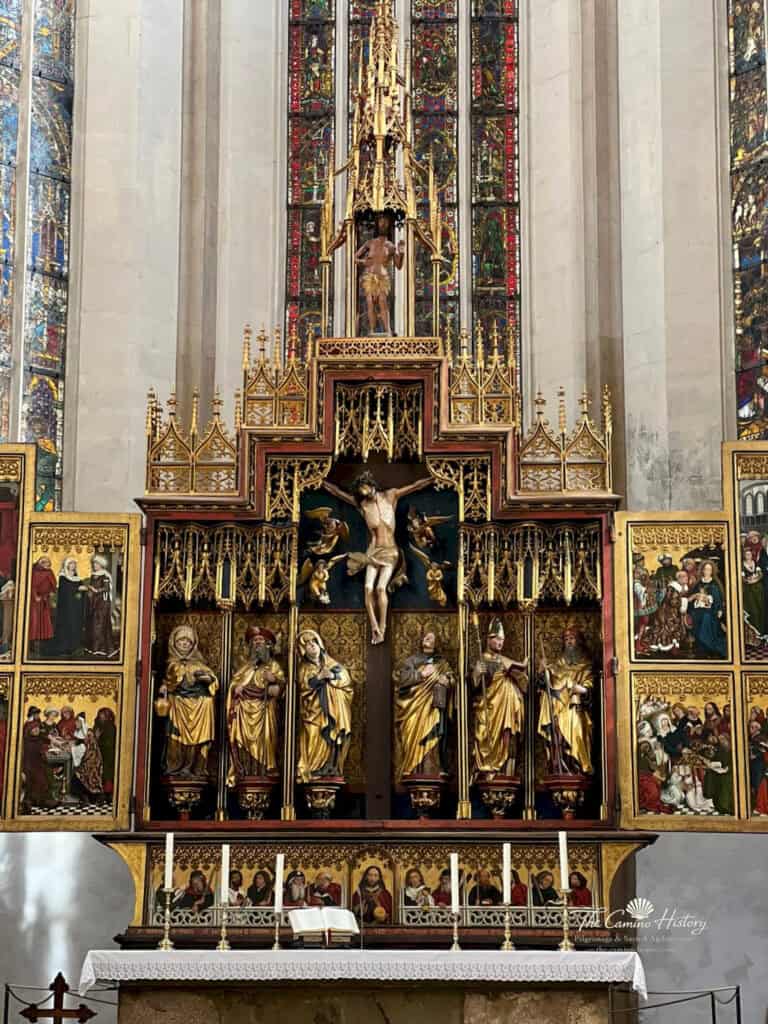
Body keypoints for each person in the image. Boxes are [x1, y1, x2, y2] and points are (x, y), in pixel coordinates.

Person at [323, 470, 433, 644]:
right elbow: (338, 493)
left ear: (372, 485)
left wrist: (433, 478)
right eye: (361, 492)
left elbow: (414, 486)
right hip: (373, 553)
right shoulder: (363, 506)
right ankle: (374, 626)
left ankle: (382, 627)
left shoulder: (390, 496)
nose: (365, 494)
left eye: (366, 489)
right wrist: (321, 481)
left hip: (390, 552)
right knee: (368, 589)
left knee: (381, 589)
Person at [157, 624, 219, 778]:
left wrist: (207, 679)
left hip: (198, 706)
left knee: (207, 704)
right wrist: (164, 687)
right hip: (177, 706)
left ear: (193, 645)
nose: (184, 644)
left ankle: (195, 766)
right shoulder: (170, 664)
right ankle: (175, 766)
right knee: (174, 735)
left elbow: (213, 682)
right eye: (181, 641)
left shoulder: (199, 664)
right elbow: (167, 681)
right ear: (174, 643)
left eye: (188, 642)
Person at [226, 626, 285, 785]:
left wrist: (275, 682)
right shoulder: (245, 668)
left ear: (268, 645)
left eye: (261, 642)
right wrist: (235, 689)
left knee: (266, 740)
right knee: (243, 743)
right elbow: (234, 685)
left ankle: (264, 770)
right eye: (254, 642)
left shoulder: (274, 666)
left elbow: (283, 688)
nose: (257, 645)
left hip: (265, 711)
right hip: (244, 713)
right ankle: (245, 770)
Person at [471, 618, 528, 780]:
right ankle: (486, 765)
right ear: (488, 639)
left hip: (507, 709)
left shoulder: (504, 661)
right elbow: (471, 688)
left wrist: (521, 674)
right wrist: (476, 673)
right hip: (489, 708)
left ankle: (504, 769)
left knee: (507, 734)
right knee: (484, 734)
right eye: (497, 639)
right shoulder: (481, 660)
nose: (500, 643)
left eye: (502, 640)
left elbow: (523, 681)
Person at [394, 629, 455, 779]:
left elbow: (452, 679)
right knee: (412, 736)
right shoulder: (411, 661)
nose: (427, 639)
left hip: (433, 706)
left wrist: (447, 681)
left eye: (431, 637)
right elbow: (401, 680)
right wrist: (421, 674)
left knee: (433, 732)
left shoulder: (442, 664)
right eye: (425, 637)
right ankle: (412, 767)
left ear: (436, 642)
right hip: (414, 707)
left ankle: (433, 766)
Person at [296, 629, 354, 782]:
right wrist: (318, 678)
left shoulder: (332, 664)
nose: (311, 645)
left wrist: (333, 676)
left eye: (313, 642)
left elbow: (346, 680)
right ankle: (314, 769)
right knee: (315, 738)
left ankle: (331, 767)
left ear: (319, 644)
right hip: (313, 713)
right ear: (303, 650)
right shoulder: (304, 669)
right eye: (307, 644)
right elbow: (303, 686)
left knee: (333, 736)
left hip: (333, 712)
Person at [537, 625, 594, 775]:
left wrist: (575, 687)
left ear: (579, 642)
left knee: (577, 732)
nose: (569, 642)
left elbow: (590, 688)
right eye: (566, 639)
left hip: (576, 708)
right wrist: (543, 671)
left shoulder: (586, 665)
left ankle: (577, 767)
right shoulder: (557, 665)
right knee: (557, 733)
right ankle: (558, 768)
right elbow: (545, 685)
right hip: (557, 708)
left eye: (572, 638)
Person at [355, 213, 405, 336]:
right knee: (370, 302)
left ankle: (388, 330)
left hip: (382, 278)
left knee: (382, 301)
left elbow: (398, 266)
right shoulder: (370, 243)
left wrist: (402, 253)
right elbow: (354, 258)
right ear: (377, 224)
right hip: (370, 277)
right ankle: (372, 330)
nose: (383, 224)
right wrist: (364, 262)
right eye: (381, 221)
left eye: (385, 222)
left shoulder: (391, 246)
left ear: (389, 225)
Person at [81, 555, 118, 658]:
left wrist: (95, 590)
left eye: (96, 564)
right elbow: (92, 587)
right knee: (93, 624)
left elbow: (106, 588)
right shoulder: (94, 575)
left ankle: (102, 648)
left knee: (100, 624)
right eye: (94, 564)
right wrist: (90, 590)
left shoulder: (105, 575)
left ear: (101, 565)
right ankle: (94, 647)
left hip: (102, 602)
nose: (94, 565)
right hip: (94, 602)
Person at [689, 560, 727, 658]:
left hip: (711, 611)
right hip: (697, 610)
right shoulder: (698, 583)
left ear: (712, 571)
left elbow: (718, 600)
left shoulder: (715, 583)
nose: (707, 571)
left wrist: (719, 610)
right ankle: (702, 648)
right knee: (697, 617)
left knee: (707, 618)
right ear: (702, 570)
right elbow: (692, 597)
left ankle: (710, 647)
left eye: (709, 569)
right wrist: (696, 597)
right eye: (705, 569)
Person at [53, 557, 85, 657]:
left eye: (74, 564)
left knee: (75, 626)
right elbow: (65, 590)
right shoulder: (63, 577)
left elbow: (79, 591)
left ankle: (74, 648)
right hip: (66, 608)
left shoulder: (77, 577)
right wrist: (77, 589)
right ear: (67, 565)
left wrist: (80, 593)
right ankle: (64, 648)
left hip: (75, 608)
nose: (73, 566)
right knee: (65, 626)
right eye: (71, 564)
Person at [21, 719, 56, 810]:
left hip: (39, 764)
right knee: (39, 778)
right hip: (28, 767)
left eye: (37, 728)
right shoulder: (25, 742)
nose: (36, 730)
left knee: (48, 773)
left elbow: (44, 746)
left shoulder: (39, 739)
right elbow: (24, 758)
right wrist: (22, 771)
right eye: (34, 729)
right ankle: (35, 801)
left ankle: (45, 800)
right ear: (29, 730)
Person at [28, 556, 56, 656]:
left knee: (45, 623)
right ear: (40, 562)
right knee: (35, 623)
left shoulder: (50, 572)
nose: (46, 564)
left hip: (45, 600)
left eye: (48, 562)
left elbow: (53, 586)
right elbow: (31, 585)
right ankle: (33, 647)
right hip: (35, 601)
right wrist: (35, 596)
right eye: (44, 562)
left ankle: (42, 648)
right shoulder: (34, 572)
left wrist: (51, 593)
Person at [742, 547, 766, 640]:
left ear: (752, 555)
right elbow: (743, 578)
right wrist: (749, 581)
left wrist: (756, 579)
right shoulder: (742, 564)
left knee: (760, 609)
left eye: (750, 554)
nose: (748, 556)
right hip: (749, 590)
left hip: (758, 590)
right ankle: (755, 633)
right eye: (747, 554)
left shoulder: (756, 563)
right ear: (744, 555)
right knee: (753, 610)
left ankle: (761, 632)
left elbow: (760, 574)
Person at [94, 707, 116, 798]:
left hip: (108, 754)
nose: (101, 717)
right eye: (100, 716)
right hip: (98, 753)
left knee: (107, 774)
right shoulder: (97, 726)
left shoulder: (110, 727)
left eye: (103, 716)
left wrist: (98, 739)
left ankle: (107, 794)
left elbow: (109, 743)